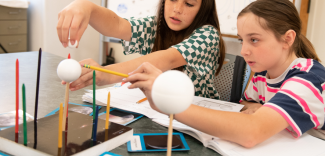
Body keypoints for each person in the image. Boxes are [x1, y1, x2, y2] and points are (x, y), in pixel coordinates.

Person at [123, 0, 325, 147]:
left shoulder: (309, 77)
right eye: (241, 40)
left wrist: (170, 105)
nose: (244, 50)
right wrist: (258, 110)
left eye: (254, 40)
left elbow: (251, 131)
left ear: (287, 39)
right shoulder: (264, 73)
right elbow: (246, 106)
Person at [56, 0, 225, 99]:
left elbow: (168, 59)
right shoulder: (156, 26)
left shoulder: (208, 35)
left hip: (194, 115)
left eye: (189, 3)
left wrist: (105, 73)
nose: (177, 9)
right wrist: (86, 7)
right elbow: (118, 25)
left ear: (203, 10)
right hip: (159, 108)